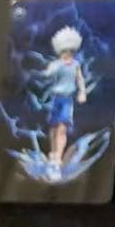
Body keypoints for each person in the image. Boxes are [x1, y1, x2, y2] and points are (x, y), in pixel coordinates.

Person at [43, 26, 87, 177]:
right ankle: (53, 152)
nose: (67, 53)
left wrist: (82, 92)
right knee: (54, 127)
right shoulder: (56, 64)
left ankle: (58, 157)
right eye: (64, 51)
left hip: (67, 100)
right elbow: (47, 75)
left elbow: (79, 79)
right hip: (56, 98)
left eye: (70, 51)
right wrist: (50, 71)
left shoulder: (75, 65)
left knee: (62, 128)